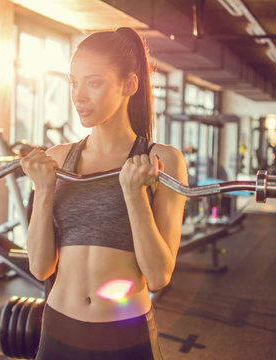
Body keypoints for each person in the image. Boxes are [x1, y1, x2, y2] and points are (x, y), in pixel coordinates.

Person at [20, 27, 187, 360]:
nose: (79, 96)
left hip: (124, 335)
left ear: (129, 84)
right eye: (73, 82)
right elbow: (40, 268)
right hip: (58, 329)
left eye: (93, 83)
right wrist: (43, 191)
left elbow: (158, 276)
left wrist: (135, 195)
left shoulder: (161, 161)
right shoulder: (58, 158)